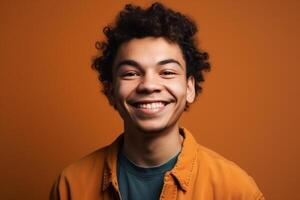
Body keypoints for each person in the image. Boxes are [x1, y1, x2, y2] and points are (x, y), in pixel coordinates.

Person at [50, 2, 265, 200]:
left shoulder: (235, 190)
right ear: (111, 91)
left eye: (168, 72)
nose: (149, 85)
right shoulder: (71, 186)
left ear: (190, 88)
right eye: (131, 73)